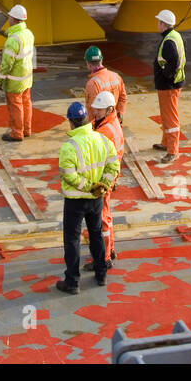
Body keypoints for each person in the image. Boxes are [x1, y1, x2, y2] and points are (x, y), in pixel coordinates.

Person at [55, 102, 119, 293]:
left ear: (71, 123)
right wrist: (102, 186)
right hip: (96, 199)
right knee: (96, 235)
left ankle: (72, 282)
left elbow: (68, 174)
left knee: (72, 240)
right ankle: (101, 275)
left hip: (76, 201)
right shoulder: (103, 140)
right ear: (87, 120)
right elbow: (113, 166)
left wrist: (88, 187)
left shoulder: (69, 147)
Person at [87, 89, 124, 268]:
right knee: (105, 215)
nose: (95, 112)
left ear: (109, 110)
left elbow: (94, 158)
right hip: (109, 177)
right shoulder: (109, 123)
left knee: (101, 220)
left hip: (102, 181)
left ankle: (104, 258)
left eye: (99, 110)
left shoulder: (105, 132)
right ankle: (110, 249)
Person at [152, 9, 186, 163]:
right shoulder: (174, 36)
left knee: (170, 118)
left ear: (163, 24)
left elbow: (174, 62)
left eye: (158, 22)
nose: (157, 25)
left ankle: (172, 151)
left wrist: (166, 76)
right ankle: (166, 143)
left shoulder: (168, 41)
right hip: (171, 84)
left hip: (168, 86)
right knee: (166, 116)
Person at [0, 4, 34, 143]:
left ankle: (17, 133)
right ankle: (26, 129)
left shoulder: (12, 41)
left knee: (15, 106)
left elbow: (6, 65)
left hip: (14, 80)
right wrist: (5, 33)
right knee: (26, 103)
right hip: (26, 78)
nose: (8, 19)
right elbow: (17, 34)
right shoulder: (28, 33)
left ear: (14, 19)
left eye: (9, 17)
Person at [84, 45, 127, 121]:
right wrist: (119, 114)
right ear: (101, 60)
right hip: (114, 121)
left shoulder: (93, 83)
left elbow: (92, 110)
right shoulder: (116, 76)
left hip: (101, 125)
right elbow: (123, 98)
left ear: (88, 64)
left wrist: (92, 127)